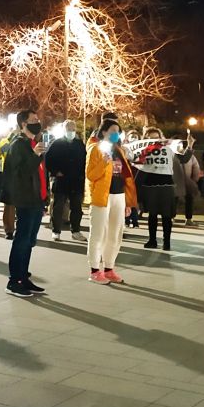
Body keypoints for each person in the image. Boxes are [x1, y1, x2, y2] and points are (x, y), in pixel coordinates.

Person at [86, 120, 136, 284]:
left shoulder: (119, 150)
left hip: (119, 195)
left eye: (118, 131)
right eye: (113, 130)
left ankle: (109, 268)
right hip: (102, 196)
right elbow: (90, 175)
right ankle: (94, 270)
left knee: (115, 234)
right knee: (99, 233)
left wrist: (128, 202)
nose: (116, 133)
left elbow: (126, 176)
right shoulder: (95, 149)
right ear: (104, 132)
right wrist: (103, 162)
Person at [5, 110, 48, 297]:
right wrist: (36, 155)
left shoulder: (33, 144)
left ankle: (24, 276)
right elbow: (21, 172)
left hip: (37, 199)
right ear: (23, 124)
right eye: (33, 120)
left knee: (30, 241)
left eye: (38, 119)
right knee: (22, 240)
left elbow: (40, 174)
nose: (37, 123)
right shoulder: (18, 145)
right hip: (25, 199)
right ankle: (15, 280)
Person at [132, 127, 178, 250]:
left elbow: (183, 155)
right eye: (150, 138)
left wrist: (189, 145)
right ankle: (152, 240)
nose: (154, 140)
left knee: (166, 216)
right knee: (152, 215)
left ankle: (166, 242)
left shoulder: (169, 149)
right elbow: (135, 160)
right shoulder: (144, 151)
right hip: (150, 184)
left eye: (156, 137)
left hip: (166, 184)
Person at [45, 120, 87, 241]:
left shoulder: (79, 144)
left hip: (76, 181)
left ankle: (76, 231)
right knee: (58, 206)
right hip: (61, 180)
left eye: (73, 129)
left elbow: (85, 160)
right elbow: (48, 160)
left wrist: (81, 175)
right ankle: (56, 230)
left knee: (77, 208)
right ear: (64, 130)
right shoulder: (56, 144)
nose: (71, 131)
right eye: (69, 129)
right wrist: (55, 171)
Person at [173, 136, 201, 228]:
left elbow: (196, 167)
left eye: (180, 144)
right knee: (173, 200)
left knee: (189, 200)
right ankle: (171, 217)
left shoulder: (189, 156)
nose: (178, 146)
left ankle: (188, 219)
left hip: (187, 181)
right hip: (174, 181)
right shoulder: (171, 155)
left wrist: (194, 180)